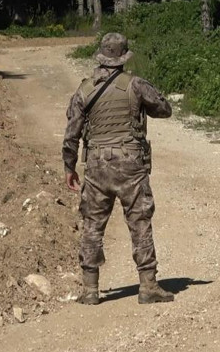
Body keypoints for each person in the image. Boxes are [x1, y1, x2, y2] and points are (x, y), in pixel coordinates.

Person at [63, 33, 175, 305]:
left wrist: (69, 166)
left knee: (92, 225)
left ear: (101, 56)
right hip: (130, 164)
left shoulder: (84, 90)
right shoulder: (135, 84)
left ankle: (90, 290)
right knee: (139, 222)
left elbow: (71, 133)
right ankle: (148, 285)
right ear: (123, 57)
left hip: (97, 165)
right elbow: (164, 109)